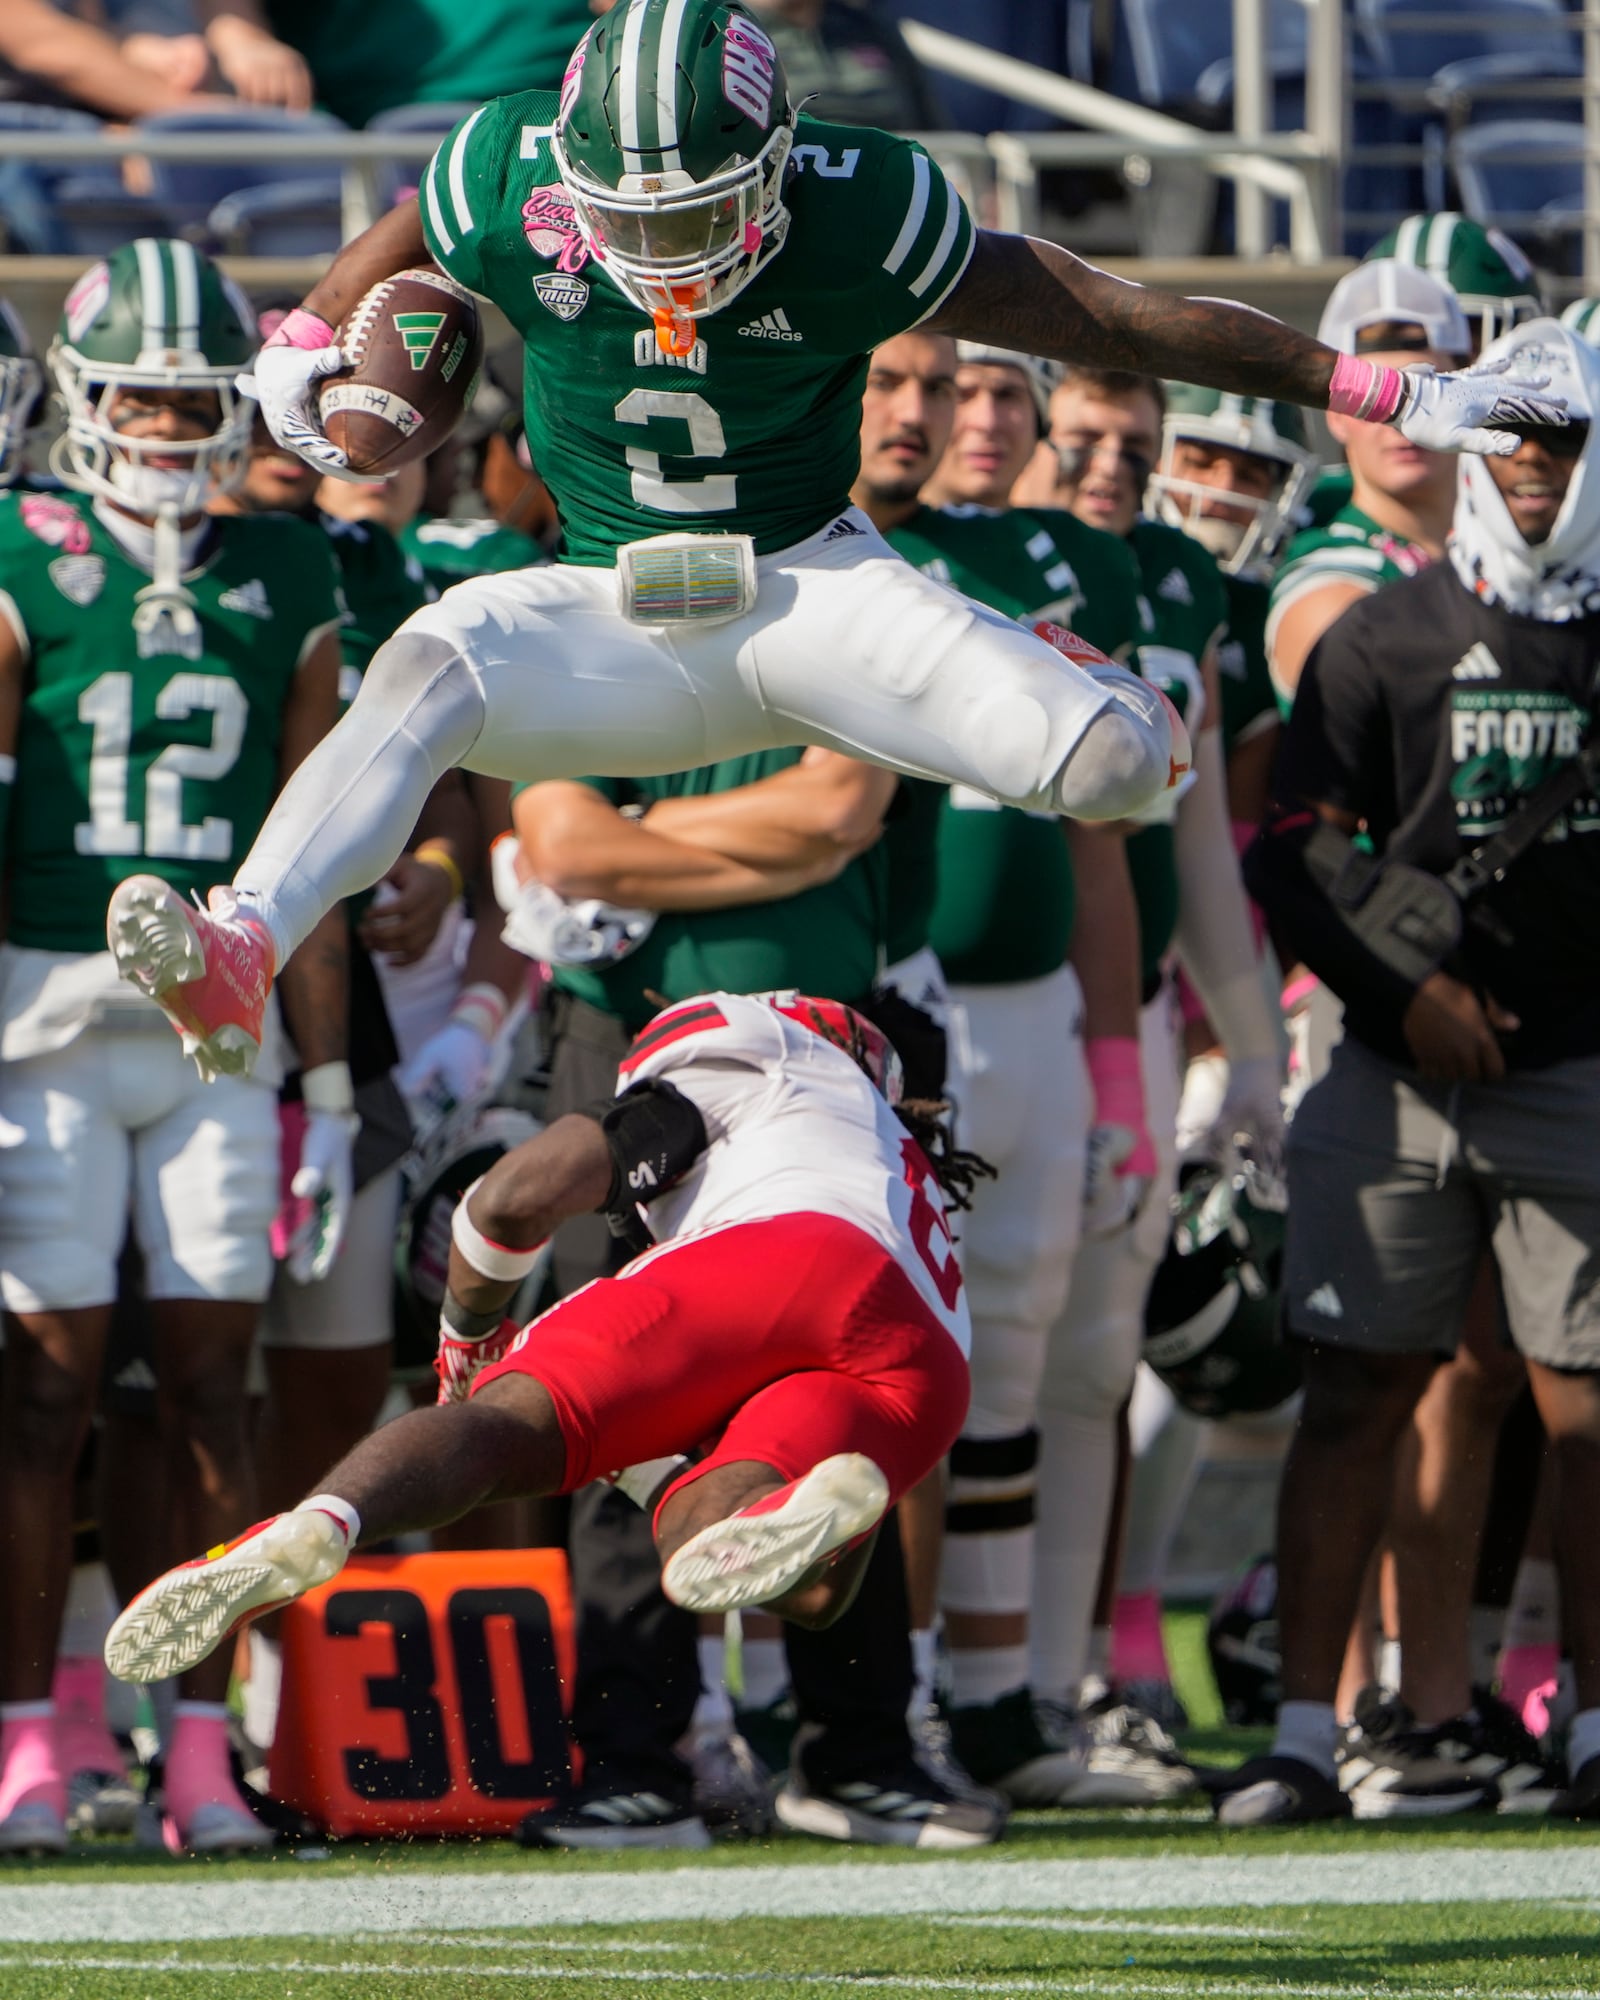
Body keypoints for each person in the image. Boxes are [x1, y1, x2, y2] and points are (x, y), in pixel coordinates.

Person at [106, 0, 1559, 1086]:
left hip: (813, 587)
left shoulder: (865, 209)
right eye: (632, 220)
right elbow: (420, 217)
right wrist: (309, 327)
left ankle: (1059, 671)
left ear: (785, 165)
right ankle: (242, 944)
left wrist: (1376, 384)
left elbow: (1110, 310)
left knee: (1122, 767)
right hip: (608, 605)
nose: (665, 257)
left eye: (699, 216)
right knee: (428, 665)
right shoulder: (511, 176)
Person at [104, 991, 980, 1706]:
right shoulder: (900, 1160)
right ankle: (806, 1502)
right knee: (721, 1545)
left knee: (505, 1427)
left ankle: (320, 1521)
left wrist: (468, 1342)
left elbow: (511, 1198)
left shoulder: (769, 1052)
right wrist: (640, 1464)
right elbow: (818, 1603)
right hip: (929, 1358)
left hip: (791, 1250)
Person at [0, 239, 351, 1854]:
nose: (161, 417)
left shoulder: (289, 574)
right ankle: (27, 1741)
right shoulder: (19, 549)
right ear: (78, 396)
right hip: (43, 1016)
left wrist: (334, 1088)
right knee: (42, 1393)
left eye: (191, 393)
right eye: (136, 388)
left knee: (216, 1392)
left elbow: (323, 843)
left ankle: (198, 1744)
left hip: (221, 1027)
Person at [1226, 317, 1600, 1826]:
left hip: (1579, 1066)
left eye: (1560, 439)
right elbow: (1290, 848)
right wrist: (1415, 991)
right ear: (1460, 446)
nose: (1531, 466)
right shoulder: (1380, 635)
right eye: (1509, 435)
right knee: (1354, 1392)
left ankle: (1583, 1724)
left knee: (1585, 1410)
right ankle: (1309, 1735)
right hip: (1390, 1068)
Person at [509, 722, 1000, 1849]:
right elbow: (566, 848)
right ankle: (634, 1751)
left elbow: (837, 812)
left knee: (853, 1369)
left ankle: (859, 1740)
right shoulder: (599, 618)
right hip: (631, 1037)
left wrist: (642, 838)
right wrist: (767, 844)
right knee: (619, 1378)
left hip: (832, 1039)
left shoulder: (840, 610)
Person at [852, 330, 1186, 1806]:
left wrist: (1119, 1058)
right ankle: (855, 1700)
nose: (944, 417)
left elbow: (1106, 838)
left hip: (1036, 1009)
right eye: (916, 388)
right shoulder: (807, 544)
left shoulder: (1057, 558)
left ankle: (994, 1702)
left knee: (1020, 1366)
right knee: (876, 1360)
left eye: (977, 391)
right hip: (870, 1002)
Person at [1011, 358, 1286, 1754]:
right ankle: (923, 1685)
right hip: (992, 997)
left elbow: (1195, 849)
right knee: (982, 1357)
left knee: (1101, 1359)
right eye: (1087, 438)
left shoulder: (1179, 584)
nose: (1113, 463)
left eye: (1135, 440)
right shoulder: (990, 558)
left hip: (1137, 1011)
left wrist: (1249, 1050)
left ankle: (1067, 1685)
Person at [1267, 263, 1472, 716]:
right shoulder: (1325, 579)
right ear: (1336, 416)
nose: (1404, 419)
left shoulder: (1501, 547)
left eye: (1427, 389)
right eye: (1378, 398)